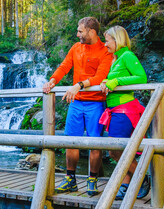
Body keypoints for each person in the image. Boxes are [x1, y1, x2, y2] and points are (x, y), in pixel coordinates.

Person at [43, 17, 112, 195]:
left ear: (92, 31)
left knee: (94, 143)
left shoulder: (105, 51)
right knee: (70, 141)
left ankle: (92, 180)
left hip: (95, 103)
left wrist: (79, 85)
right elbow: (65, 66)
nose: (77, 34)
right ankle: (70, 179)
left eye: (80, 31)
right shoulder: (76, 47)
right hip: (76, 103)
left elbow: (101, 76)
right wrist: (52, 81)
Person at [99, 25, 150, 200]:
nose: (105, 44)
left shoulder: (127, 56)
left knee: (114, 150)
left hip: (124, 109)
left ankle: (141, 176)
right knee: (122, 149)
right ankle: (127, 185)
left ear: (117, 39)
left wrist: (114, 82)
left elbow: (142, 77)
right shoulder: (116, 58)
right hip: (115, 110)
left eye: (107, 40)